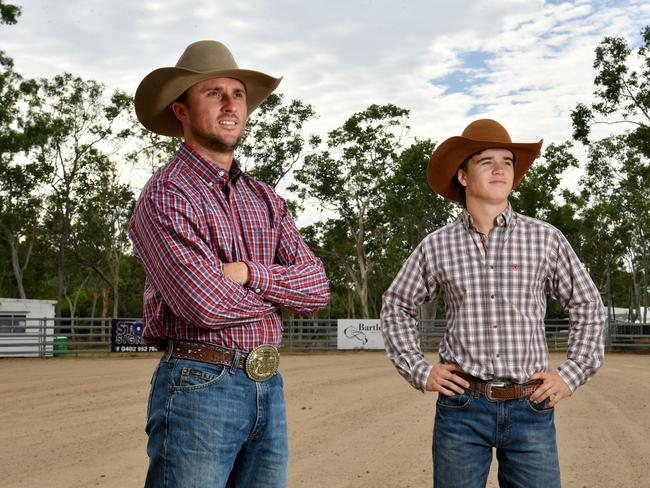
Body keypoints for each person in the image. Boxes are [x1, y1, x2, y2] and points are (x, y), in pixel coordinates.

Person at [129, 40, 330, 488]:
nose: (230, 103)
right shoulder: (166, 195)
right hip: (199, 381)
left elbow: (317, 288)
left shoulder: (265, 199)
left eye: (237, 94)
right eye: (213, 93)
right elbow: (203, 304)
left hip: (267, 382)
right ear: (181, 111)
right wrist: (280, 297)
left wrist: (249, 274)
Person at [381, 119, 605, 488]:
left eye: (507, 161)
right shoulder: (437, 245)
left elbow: (587, 306)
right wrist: (420, 370)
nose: (501, 168)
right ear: (463, 177)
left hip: (531, 405)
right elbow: (397, 305)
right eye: (486, 161)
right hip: (462, 408)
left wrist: (571, 373)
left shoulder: (545, 238)